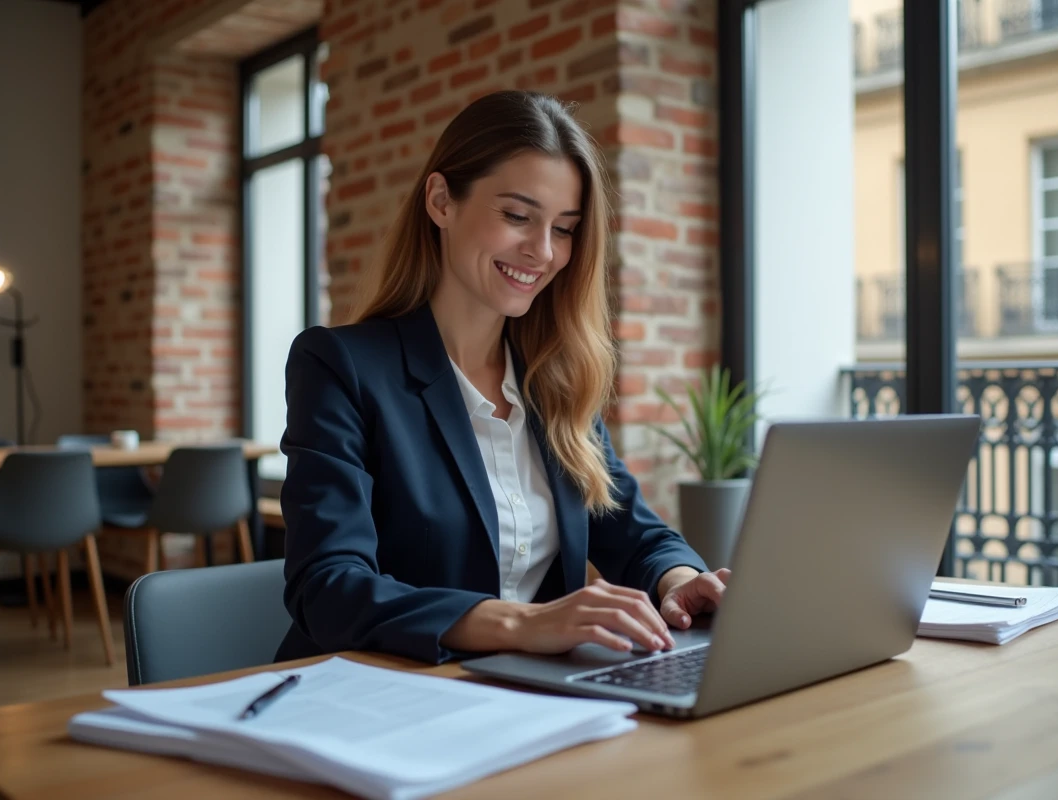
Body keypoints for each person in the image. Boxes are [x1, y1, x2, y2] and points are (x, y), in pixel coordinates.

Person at [275, 90, 731, 666]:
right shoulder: (339, 366)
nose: (542, 251)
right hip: (379, 699)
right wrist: (522, 622)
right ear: (441, 201)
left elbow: (629, 528)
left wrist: (678, 580)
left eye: (564, 229)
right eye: (517, 216)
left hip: (525, 700)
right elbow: (327, 587)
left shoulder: (553, 381)